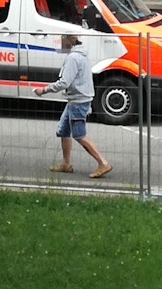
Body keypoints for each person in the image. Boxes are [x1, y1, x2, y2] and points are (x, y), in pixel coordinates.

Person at [34, 33, 112, 179]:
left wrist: (44, 90)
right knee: (63, 130)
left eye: (61, 42)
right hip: (77, 99)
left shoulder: (73, 58)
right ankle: (65, 163)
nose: (59, 45)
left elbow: (64, 82)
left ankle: (103, 163)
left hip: (78, 101)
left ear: (67, 43)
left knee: (79, 135)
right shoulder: (82, 55)